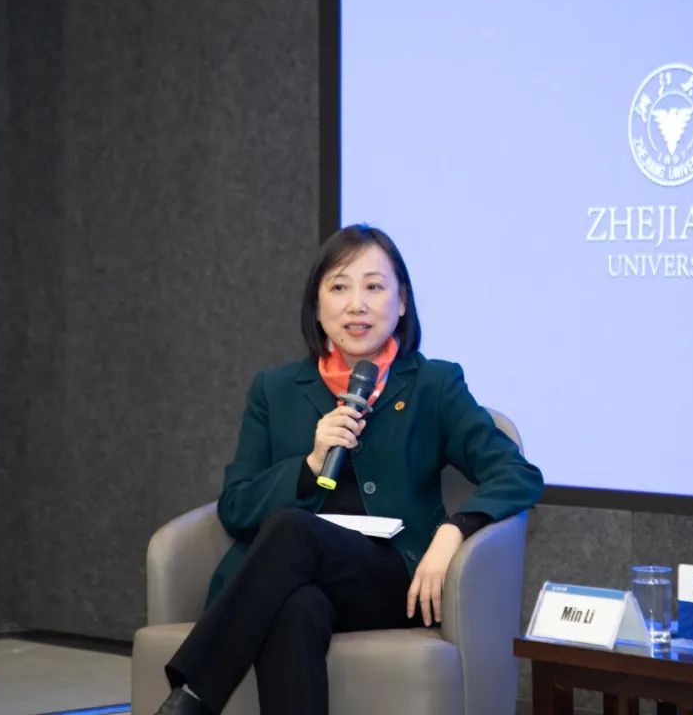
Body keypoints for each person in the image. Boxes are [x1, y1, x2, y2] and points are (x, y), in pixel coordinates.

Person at [153, 224, 544, 715]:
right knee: (297, 607)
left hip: (389, 579)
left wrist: (452, 532)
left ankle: (192, 697)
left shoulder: (434, 384)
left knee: (292, 528)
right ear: (317, 306)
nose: (356, 304)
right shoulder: (275, 390)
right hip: (291, 578)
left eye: (374, 287)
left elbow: (517, 473)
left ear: (402, 303)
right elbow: (235, 507)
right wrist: (310, 464)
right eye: (339, 287)